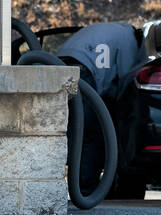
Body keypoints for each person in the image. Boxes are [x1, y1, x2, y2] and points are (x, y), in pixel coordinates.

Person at [56, 22, 141, 192]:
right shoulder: (130, 39)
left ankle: (67, 185)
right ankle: (86, 189)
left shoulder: (113, 30)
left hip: (58, 66)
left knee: (70, 132)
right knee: (89, 134)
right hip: (83, 74)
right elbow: (127, 78)